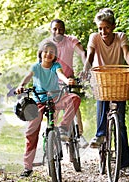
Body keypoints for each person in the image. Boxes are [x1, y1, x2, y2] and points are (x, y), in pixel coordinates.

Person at [81, 8, 129, 176]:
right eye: (100, 28)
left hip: (118, 79)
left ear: (113, 26)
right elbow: (89, 56)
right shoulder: (94, 37)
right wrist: (85, 69)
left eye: (106, 28)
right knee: (102, 101)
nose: (103, 31)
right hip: (101, 78)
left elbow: (126, 52)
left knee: (121, 124)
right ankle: (100, 135)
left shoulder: (121, 37)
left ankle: (125, 164)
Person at [15, 40, 81, 177]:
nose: (48, 54)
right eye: (45, 51)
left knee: (74, 98)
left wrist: (66, 80)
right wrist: (21, 86)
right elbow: (27, 78)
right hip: (39, 101)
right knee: (31, 132)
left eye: (52, 52)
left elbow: (60, 74)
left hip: (55, 99)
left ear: (55, 55)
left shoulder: (55, 66)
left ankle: (63, 127)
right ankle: (28, 166)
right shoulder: (36, 67)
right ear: (41, 54)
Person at [45, 19, 88, 148]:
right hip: (52, 81)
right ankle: (52, 138)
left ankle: (79, 135)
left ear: (64, 30)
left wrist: (86, 68)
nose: (58, 32)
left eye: (61, 29)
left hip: (69, 79)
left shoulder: (71, 40)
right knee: (54, 108)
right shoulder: (48, 44)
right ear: (50, 30)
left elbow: (82, 53)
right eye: (55, 29)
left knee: (74, 103)